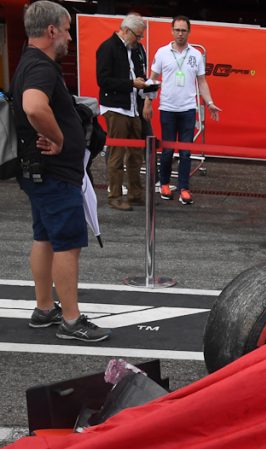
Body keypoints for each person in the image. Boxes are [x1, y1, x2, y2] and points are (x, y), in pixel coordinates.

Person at [12, 0, 110, 343]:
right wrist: (58, 138)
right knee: (67, 243)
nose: (69, 37)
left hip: (40, 172)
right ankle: (71, 320)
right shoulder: (41, 66)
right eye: (67, 30)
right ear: (51, 30)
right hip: (54, 173)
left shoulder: (29, 61)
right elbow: (34, 106)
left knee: (44, 238)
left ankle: (44, 308)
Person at [145, 16, 221, 206]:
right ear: (172, 31)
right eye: (177, 30)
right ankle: (164, 184)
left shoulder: (196, 55)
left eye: (183, 30)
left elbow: (202, 81)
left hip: (188, 109)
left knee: (186, 152)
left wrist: (209, 102)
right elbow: (153, 78)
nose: (180, 34)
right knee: (168, 150)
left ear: (189, 32)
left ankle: (184, 188)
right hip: (167, 108)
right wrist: (148, 102)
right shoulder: (162, 52)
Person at [95, 14, 148, 211]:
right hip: (115, 107)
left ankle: (135, 194)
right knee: (117, 154)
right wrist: (131, 84)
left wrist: (146, 85)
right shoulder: (107, 47)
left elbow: (138, 74)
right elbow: (103, 80)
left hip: (133, 107)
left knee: (136, 153)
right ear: (126, 30)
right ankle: (115, 196)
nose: (139, 40)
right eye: (138, 36)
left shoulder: (136, 49)